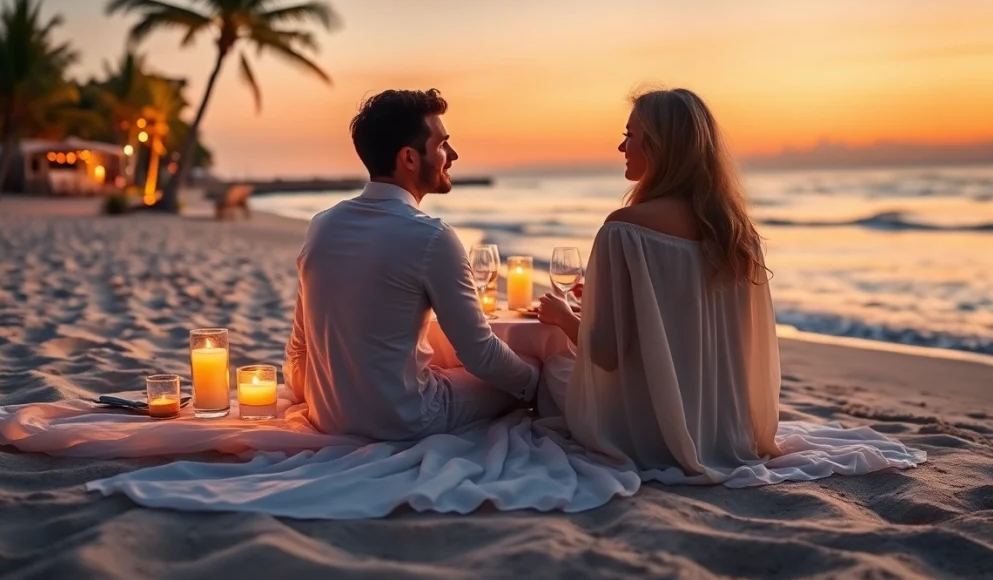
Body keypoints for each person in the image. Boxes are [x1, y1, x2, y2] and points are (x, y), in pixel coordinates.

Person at [537, 88, 782, 476]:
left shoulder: (624, 229)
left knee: (553, 362)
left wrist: (564, 316)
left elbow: (606, 354)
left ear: (658, 145)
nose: (621, 146)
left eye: (630, 134)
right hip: (725, 430)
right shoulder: (738, 235)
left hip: (647, 433)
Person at [285, 89, 539, 441]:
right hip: (407, 418)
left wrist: (319, 400)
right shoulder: (432, 236)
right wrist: (534, 383)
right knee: (524, 372)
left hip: (327, 415)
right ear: (409, 158)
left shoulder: (321, 225)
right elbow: (479, 352)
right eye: (442, 145)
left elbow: (300, 347)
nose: (453, 155)